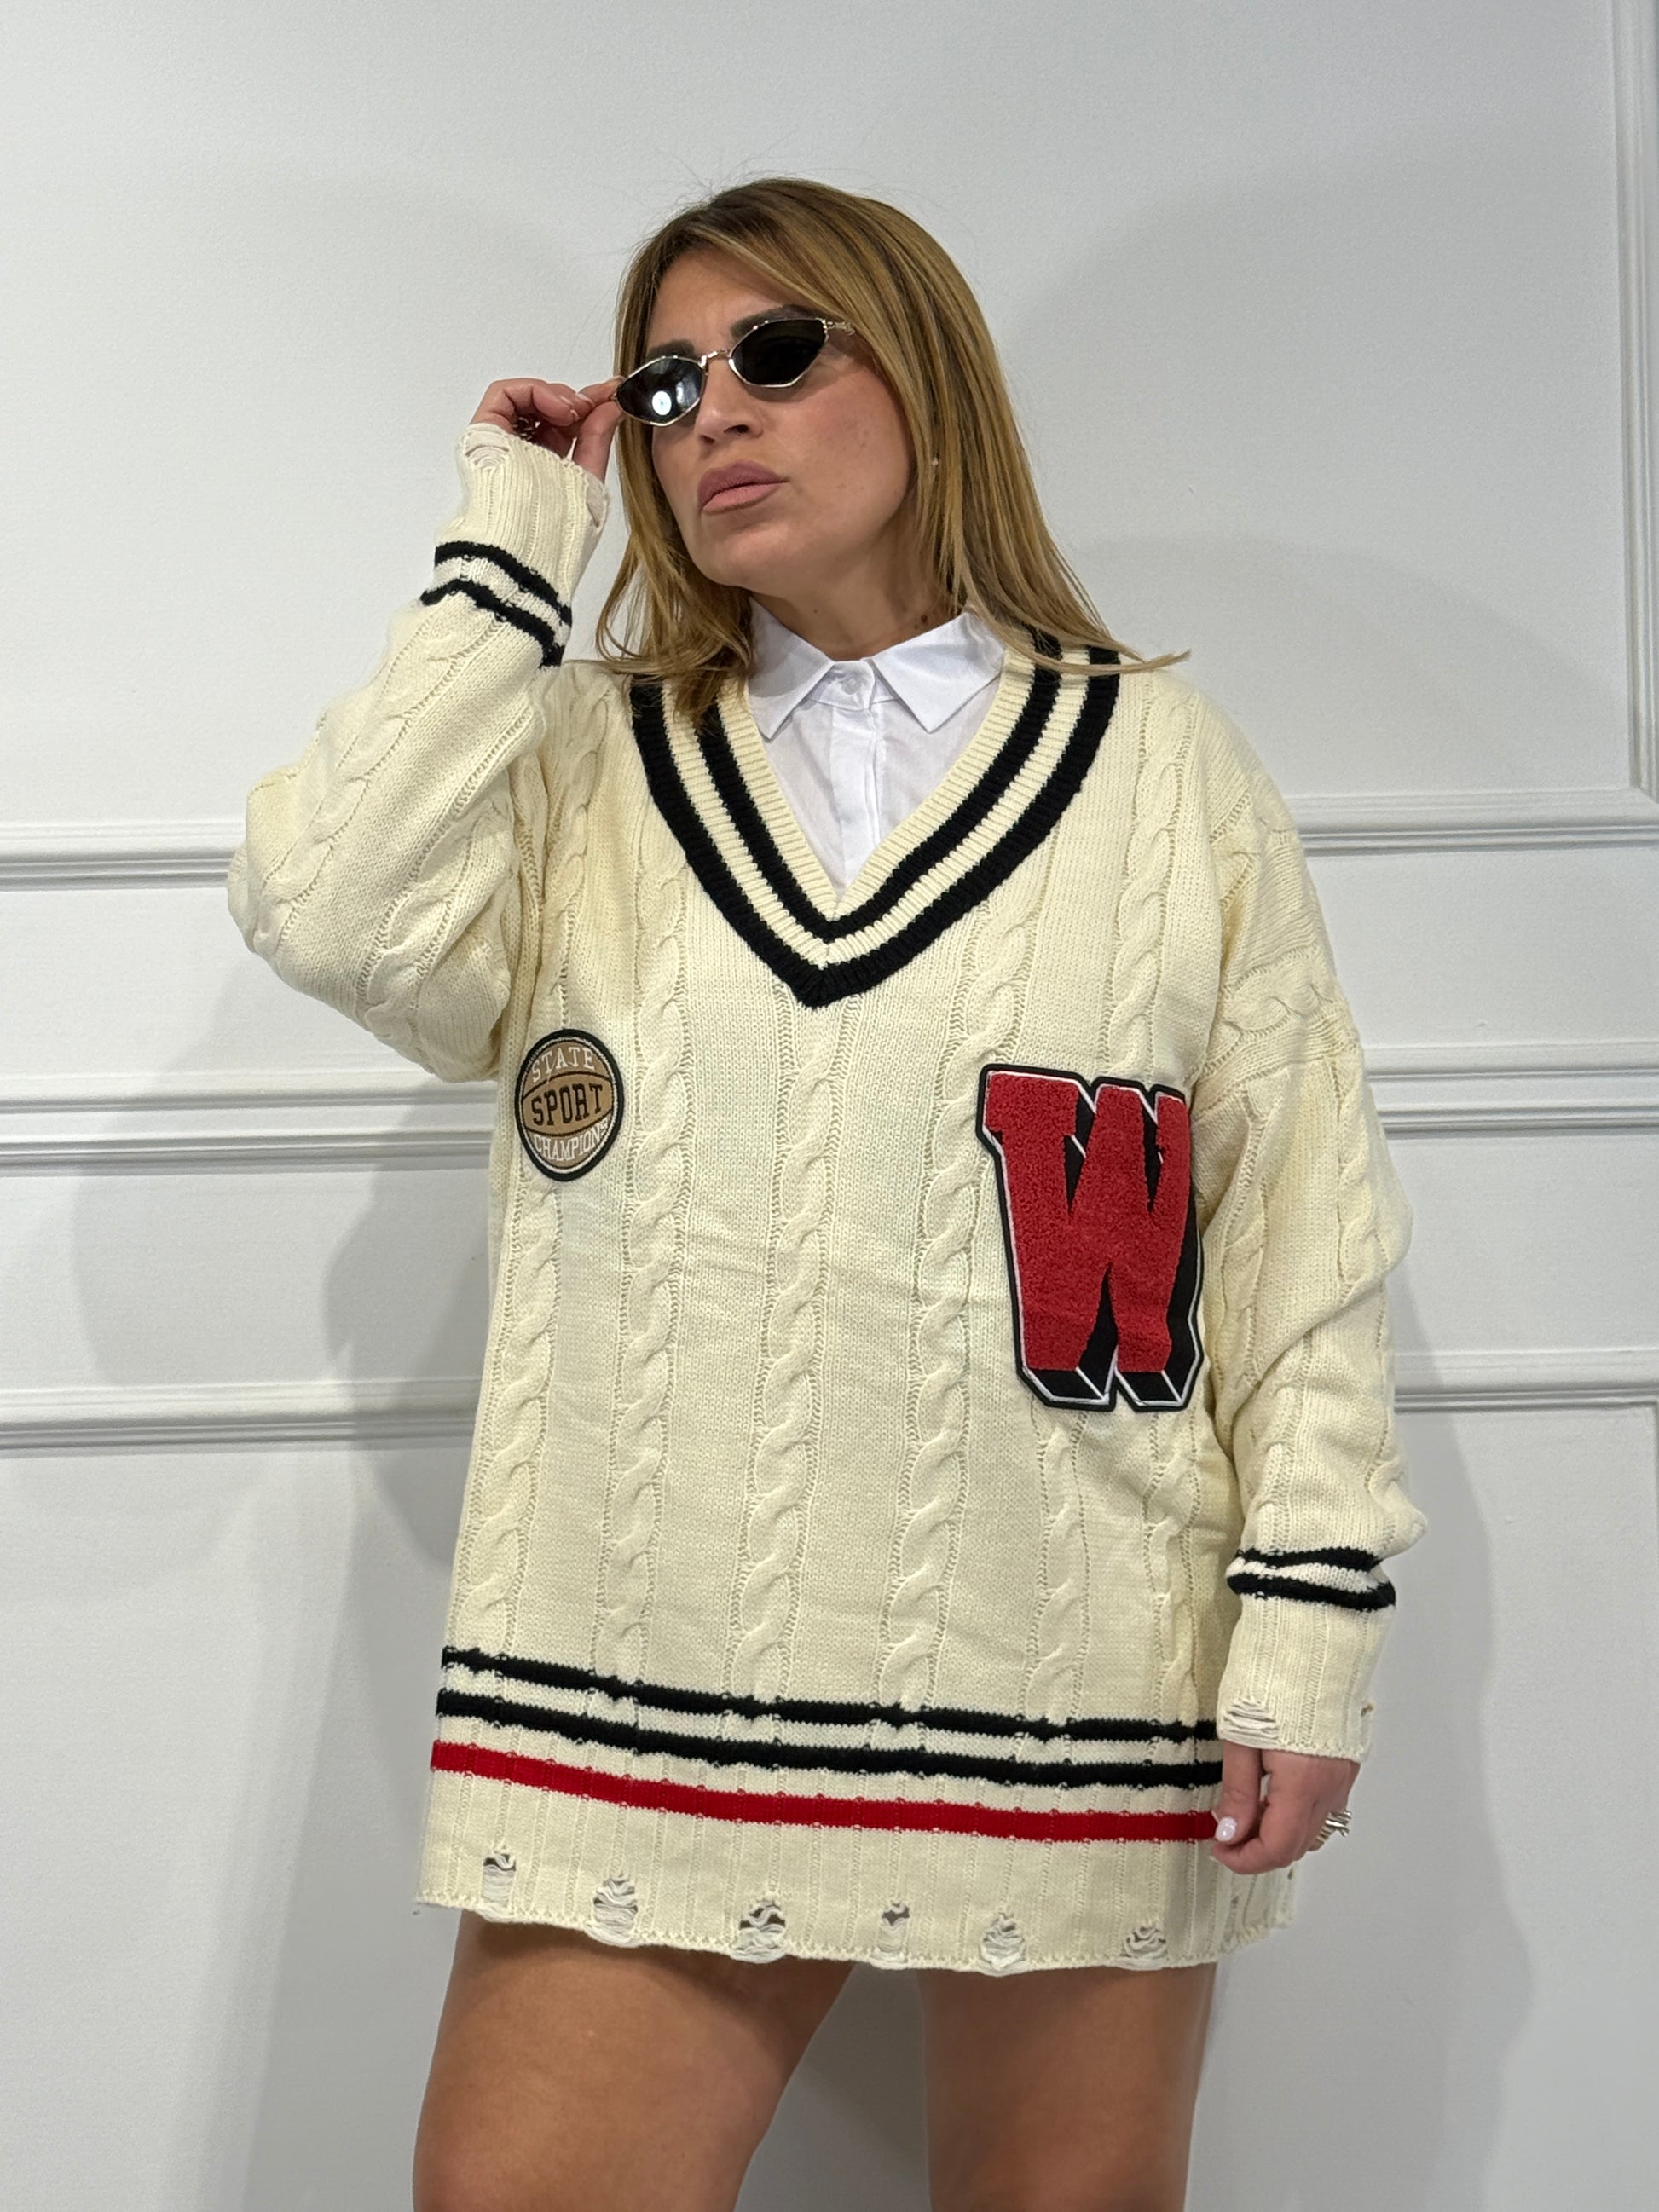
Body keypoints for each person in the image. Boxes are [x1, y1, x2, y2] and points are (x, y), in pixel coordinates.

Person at [228, 175, 1426, 2212]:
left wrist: (1307, 1628)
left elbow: (1294, 1233)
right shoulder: (580, 763)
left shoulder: (1165, 770)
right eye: (666, 382)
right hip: (637, 1666)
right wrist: (511, 548)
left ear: (927, 377)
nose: (713, 413)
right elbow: (326, 909)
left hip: (1074, 1664)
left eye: (775, 353)